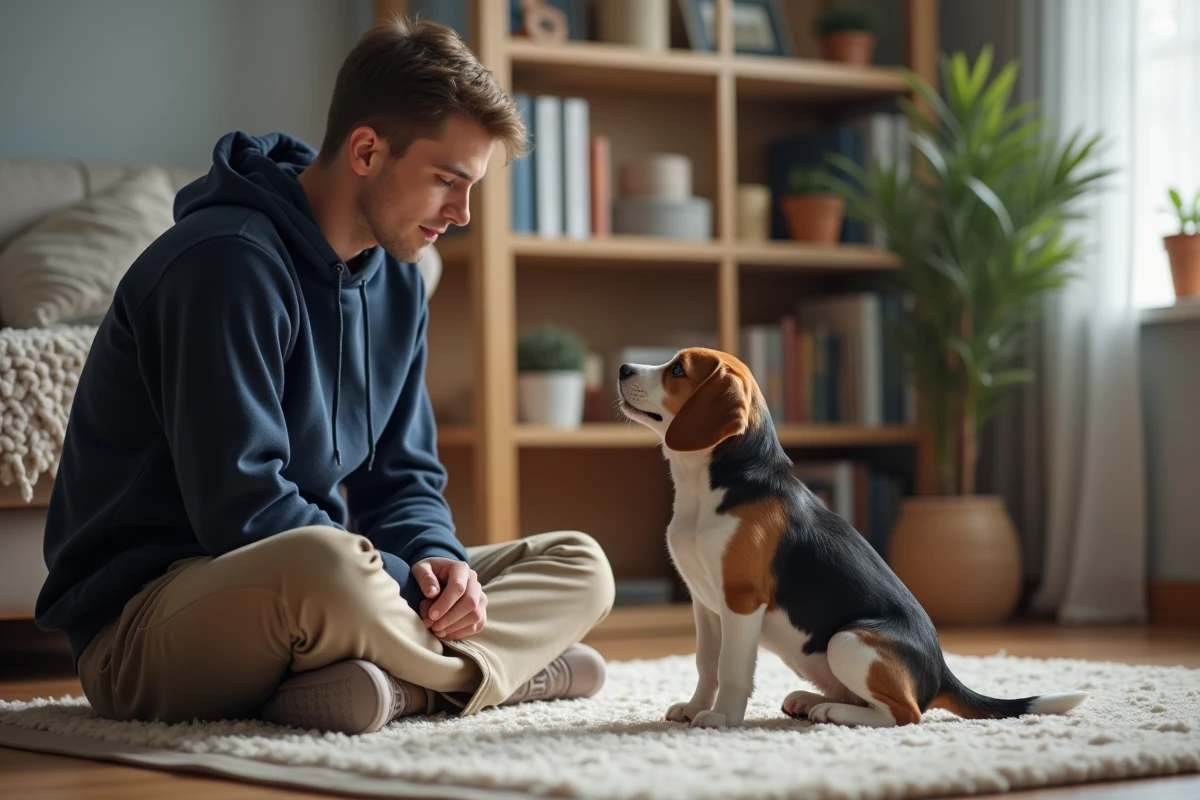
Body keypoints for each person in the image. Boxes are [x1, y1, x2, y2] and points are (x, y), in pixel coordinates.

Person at [34, 15, 616, 735]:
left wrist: (438, 563)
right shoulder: (222, 264)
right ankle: (504, 676)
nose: (461, 215)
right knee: (329, 568)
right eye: (447, 181)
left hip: (312, 598)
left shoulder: (397, 282)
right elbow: (241, 511)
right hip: (150, 624)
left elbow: (404, 478)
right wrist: (397, 584)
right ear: (367, 150)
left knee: (581, 562)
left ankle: (390, 685)